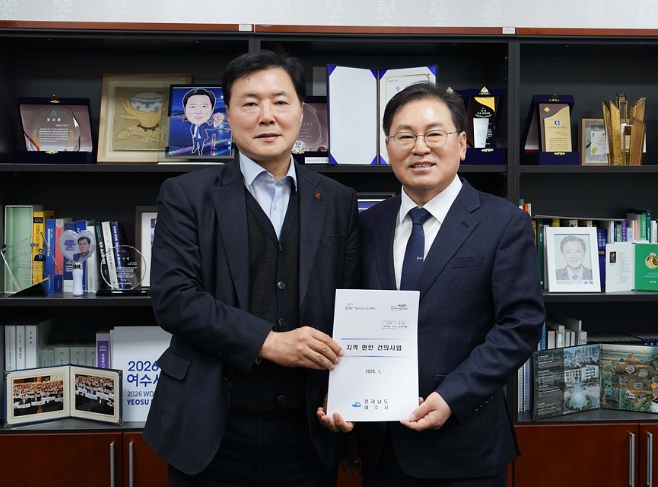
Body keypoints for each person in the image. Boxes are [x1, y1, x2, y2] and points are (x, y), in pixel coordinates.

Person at [142, 48, 360, 487]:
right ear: (226, 115)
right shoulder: (186, 195)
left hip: (308, 429)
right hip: (210, 428)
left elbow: (353, 305)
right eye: (250, 103)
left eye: (280, 101)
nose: (267, 116)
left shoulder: (338, 200)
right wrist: (268, 342)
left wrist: (353, 398)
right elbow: (174, 300)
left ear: (302, 110)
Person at [318, 82, 545, 486]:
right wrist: (342, 401)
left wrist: (453, 397)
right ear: (388, 148)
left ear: (462, 143)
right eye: (405, 136)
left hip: (463, 447)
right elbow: (345, 319)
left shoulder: (504, 222)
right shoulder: (366, 224)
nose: (419, 148)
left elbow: (520, 325)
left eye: (434, 134)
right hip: (380, 447)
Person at [182, 88, 217, 155]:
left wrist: (216, 123)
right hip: (195, 137)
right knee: (195, 144)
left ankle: (200, 151)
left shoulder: (204, 124)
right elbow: (192, 129)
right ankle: (194, 149)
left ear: (212, 110)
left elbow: (210, 127)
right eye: (193, 107)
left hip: (201, 138)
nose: (198, 112)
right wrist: (193, 135)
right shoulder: (193, 125)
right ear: (185, 110)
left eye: (204, 106)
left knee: (201, 145)